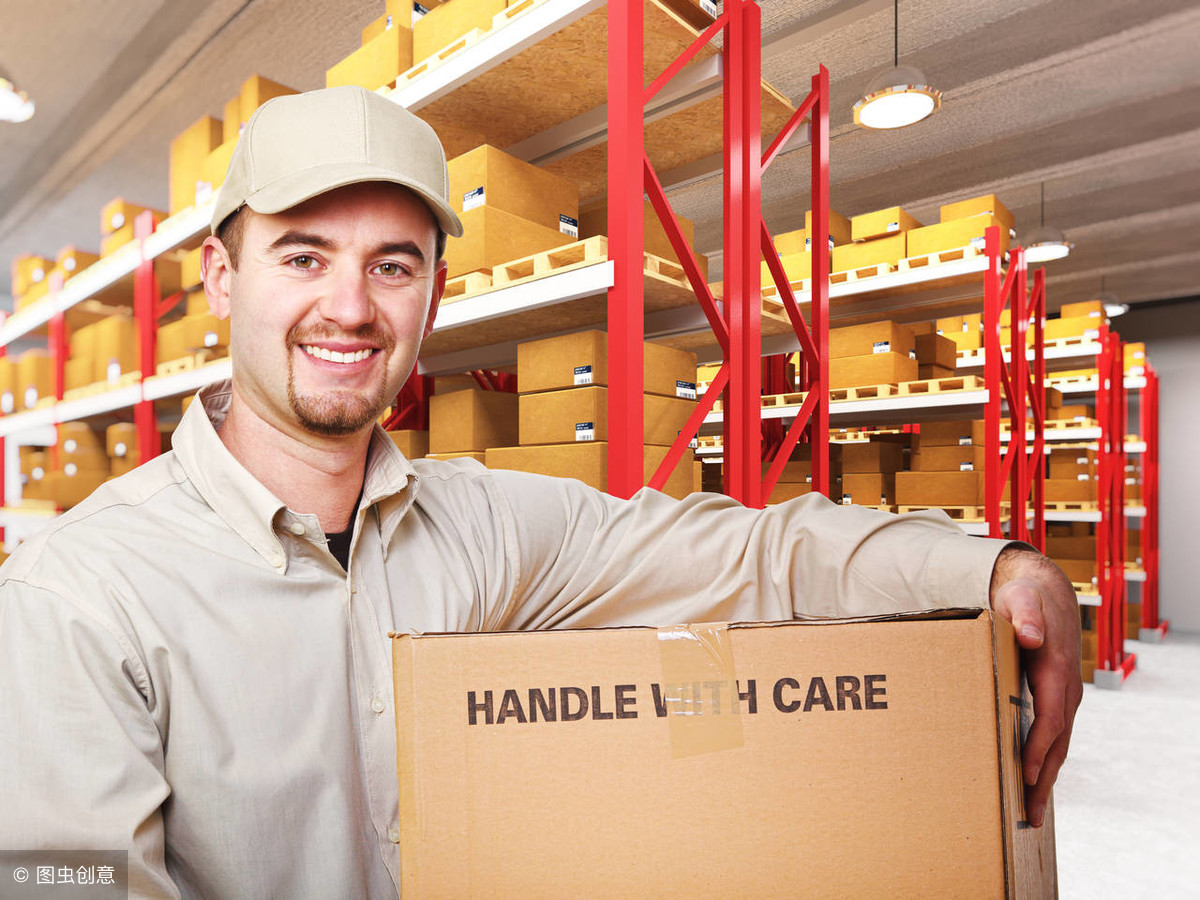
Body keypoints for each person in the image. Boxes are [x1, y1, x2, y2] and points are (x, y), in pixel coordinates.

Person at [0, 86, 1081, 898]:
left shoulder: (480, 526)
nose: (350, 307)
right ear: (224, 281)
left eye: (393, 265)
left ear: (429, 294)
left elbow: (744, 555)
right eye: (301, 256)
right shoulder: (83, 594)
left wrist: (996, 566)